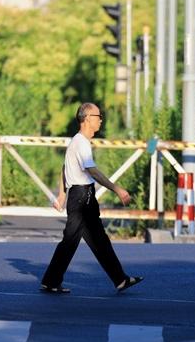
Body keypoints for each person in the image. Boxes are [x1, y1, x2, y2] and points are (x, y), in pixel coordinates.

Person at [40, 102, 143, 294]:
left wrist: (62, 195)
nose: (101, 120)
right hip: (81, 198)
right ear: (87, 118)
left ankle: (120, 279)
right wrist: (116, 188)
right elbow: (93, 171)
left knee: (99, 240)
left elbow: (65, 167)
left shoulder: (78, 142)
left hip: (83, 197)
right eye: (98, 116)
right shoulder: (81, 142)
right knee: (70, 241)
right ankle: (51, 281)